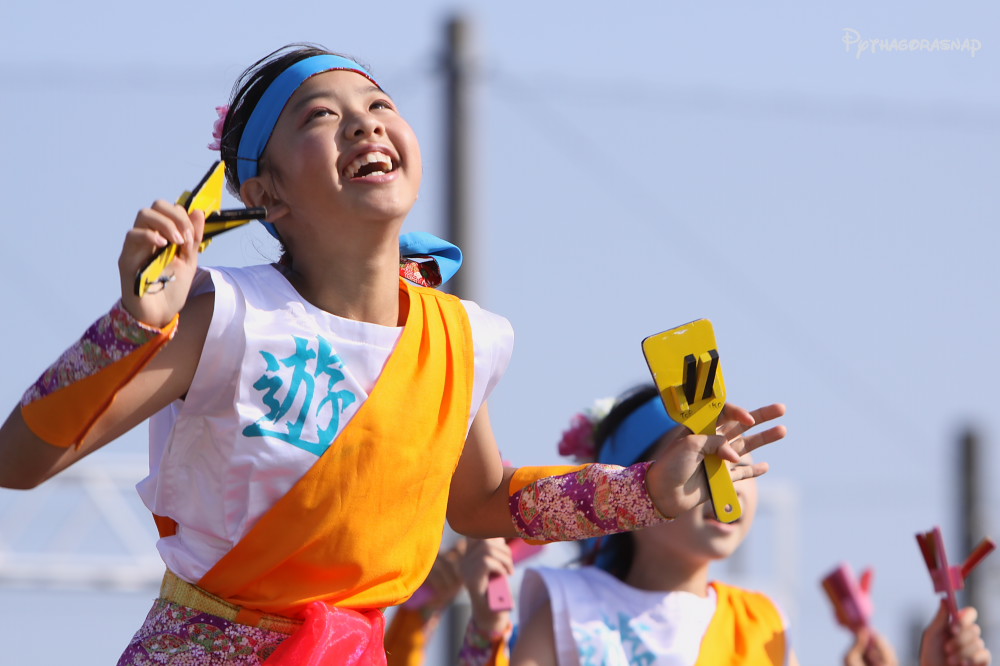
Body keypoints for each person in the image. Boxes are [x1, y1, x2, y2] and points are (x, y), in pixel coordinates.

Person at [0, 44, 786, 665]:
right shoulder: (226, 315)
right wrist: (133, 325)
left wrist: (649, 489)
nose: (365, 123)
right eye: (320, 115)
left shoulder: (460, 337)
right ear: (265, 192)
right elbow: (21, 463)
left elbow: (484, 504)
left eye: (379, 104)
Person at [508, 385, 991, 666]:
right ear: (633, 486)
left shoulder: (761, 622)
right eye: (701, 463)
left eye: (739, 462)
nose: (727, 484)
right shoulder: (568, 607)